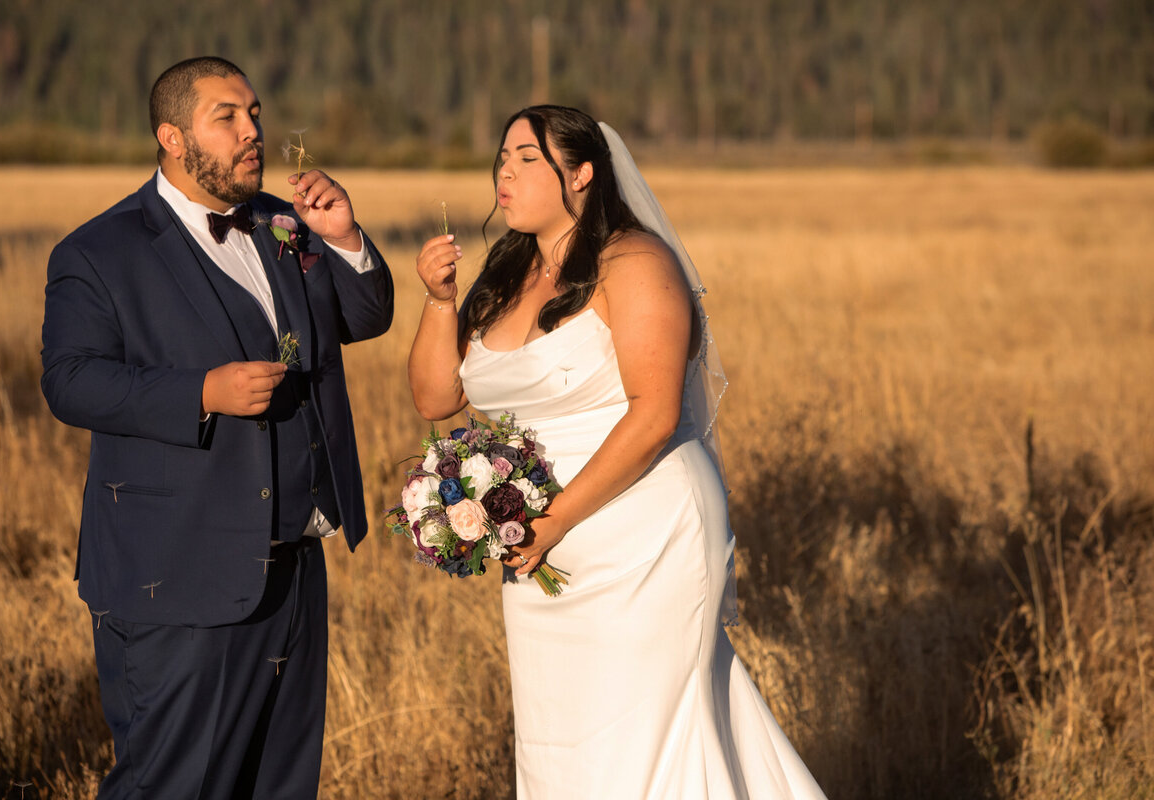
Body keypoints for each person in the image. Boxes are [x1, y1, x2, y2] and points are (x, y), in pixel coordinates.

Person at [408, 105, 827, 798]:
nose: (504, 172)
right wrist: (439, 299)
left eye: (526, 158)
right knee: (564, 740)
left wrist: (558, 519)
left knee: (647, 738)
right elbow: (434, 399)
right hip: (538, 544)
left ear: (582, 174)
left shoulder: (634, 262)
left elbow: (657, 413)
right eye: (502, 159)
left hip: (641, 532)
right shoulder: (507, 275)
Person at [41, 56, 393, 798]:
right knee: (172, 786)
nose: (252, 131)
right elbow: (69, 381)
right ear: (172, 137)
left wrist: (346, 236)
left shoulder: (283, 226)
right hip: (177, 576)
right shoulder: (97, 252)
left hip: (294, 569)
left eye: (255, 114)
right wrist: (200, 391)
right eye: (227, 117)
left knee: (278, 784)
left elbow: (361, 318)